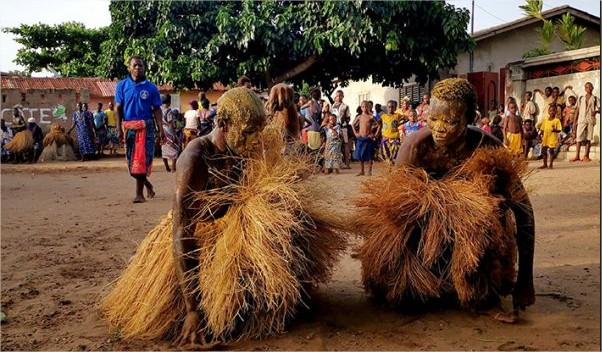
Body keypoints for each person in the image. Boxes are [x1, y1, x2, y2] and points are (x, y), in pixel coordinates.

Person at [100, 87, 347, 347]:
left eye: (257, 132)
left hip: (238, 234)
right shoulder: (194, 160)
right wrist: (192, 310)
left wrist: (288, 105)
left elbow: (290, 136)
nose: (255, 141)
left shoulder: (248, 140)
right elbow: (183, 232)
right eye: (248, 133)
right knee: (214, 319)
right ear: (223, 124)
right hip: (198, 240)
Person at [356, 78, 535, 323]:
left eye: (450, 121)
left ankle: (481, 293)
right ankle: (419, 281)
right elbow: (392, 213)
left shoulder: (487, 148)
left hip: (474, 231)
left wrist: (525, 279)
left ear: (470, 118)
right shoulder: (415, 147)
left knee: (488, 214)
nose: (439, 128)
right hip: (423, 229)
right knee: (407, 298)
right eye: (433, 118)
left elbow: (523, 211)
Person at [115, 56, 165, 203]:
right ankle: (148, 185)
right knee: (132, 166)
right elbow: (119, 109)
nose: (138, 68)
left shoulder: (151, 87)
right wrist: (118, 128)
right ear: (129, 68)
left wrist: (160, 128)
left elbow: (157, 109)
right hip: (129, 127)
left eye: (141, 66)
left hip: (147, 127)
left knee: (143, 160)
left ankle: (139, 194)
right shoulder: (122, 86)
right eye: (135, 65)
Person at [571, 82, 600, 163]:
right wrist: (574, 122)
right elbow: (577, 110)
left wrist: (596, 111)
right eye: (587, 87)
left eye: (590, 87)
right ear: (585, 88)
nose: (589, 89)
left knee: (588, 138)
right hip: (581, 119)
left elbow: (600, 108)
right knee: (578, 138)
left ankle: (586, 156)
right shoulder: (581, 98)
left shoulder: (595, 99)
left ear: (593, 88)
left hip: (590, 120)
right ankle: (577, 156)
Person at [351, 100, 377, 176]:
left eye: (366, 106)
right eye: (363, 106)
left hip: (368, 138)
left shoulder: (371, 116)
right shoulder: (359, 117)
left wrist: (374, 134)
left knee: (370, 155)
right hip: (361, 138)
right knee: (360, 155)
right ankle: (362, 171)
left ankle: (369, 171)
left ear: (369, 107)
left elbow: (378, 125)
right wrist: (356, 133)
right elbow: (352, 124)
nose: (365, 108)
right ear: (361, 108)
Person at [331, 90, 351, 169]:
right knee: (336, 144)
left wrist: (342, 122)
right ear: (335, 97)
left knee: (345, 144)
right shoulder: (333, 106)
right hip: (335, 127)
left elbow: (348, 117)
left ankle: (347, 163)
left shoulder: (345, 106)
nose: (338, 97)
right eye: (337, 96)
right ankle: (337, 163)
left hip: (343, 127)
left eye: (340, 95)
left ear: (343, 96)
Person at [378, 100, 401, 169]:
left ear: (395, 108)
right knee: (386, 155)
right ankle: (388, 170)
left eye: (392, 107)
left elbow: (406, 120)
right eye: (389, 107)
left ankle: (394, 169)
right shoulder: (383, 116)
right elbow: (378, 124)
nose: (390, 109)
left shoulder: (398, 116)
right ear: (387, 108)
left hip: (395, 139)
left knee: (395, 155)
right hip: (385, 139)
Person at [538, 104, 562, 169]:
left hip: (552, 138)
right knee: (543, 150)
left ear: (556, 112)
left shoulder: (557, 120)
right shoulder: (545, 120)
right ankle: (544, 164)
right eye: (550, 110)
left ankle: (551, 164)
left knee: (551, 151)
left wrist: (554, 130)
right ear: (548, 111)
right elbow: (542, 129)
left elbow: (559, 130)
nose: (552, 112)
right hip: (545, 138)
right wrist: (539, 135)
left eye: (553, 110)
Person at [160, 94, 179, 172]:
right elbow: (170, 123)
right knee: (175, 148)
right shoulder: (169, 111)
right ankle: (173, 168)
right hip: (168, 130)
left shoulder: (160, 110)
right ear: (169, 101)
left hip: (162, 130)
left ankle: (167, 167)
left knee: (164, 148)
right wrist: (174, 134)